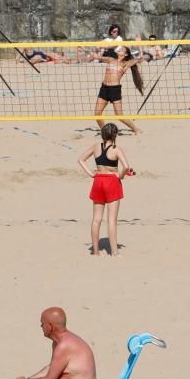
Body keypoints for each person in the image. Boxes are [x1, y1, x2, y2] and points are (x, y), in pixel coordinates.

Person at [78, 123, 132, 257]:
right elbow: (126, 166)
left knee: (96, 219)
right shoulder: (116, 149)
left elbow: (80, 160)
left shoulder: (96, 147)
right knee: (111, 220)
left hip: (98, 181)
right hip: (111, 182)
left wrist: (91, 174)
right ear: (114, 135)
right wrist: (120, 176)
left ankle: (95, 251)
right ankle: (114, 252)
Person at [92, 46, 144, 135]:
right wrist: (90, 48)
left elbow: (140, 58)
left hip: (115, 90)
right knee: (97, 114)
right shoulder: (110, 59)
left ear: (125, 54)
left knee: (119, 115)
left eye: (122, 49)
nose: (119, 49)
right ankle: (105, 131)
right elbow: (96, 56)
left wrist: (139, 45)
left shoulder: (125, 64)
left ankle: (136, 129)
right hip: (104, 89)